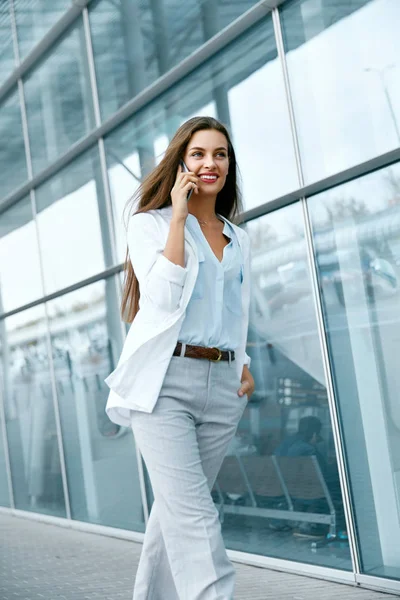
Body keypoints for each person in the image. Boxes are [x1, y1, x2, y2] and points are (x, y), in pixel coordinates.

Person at [104, 116, 255, 600]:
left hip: (223, 386)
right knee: (193, 517)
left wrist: (244, 362)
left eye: (221, 154)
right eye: (199, 154)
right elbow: (164, 301)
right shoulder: (148, 225)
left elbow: (236, 310)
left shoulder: (238, 236)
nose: (211, 163)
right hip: (165, 384)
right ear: (181, 162)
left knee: (175, 514)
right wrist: (176, 217)